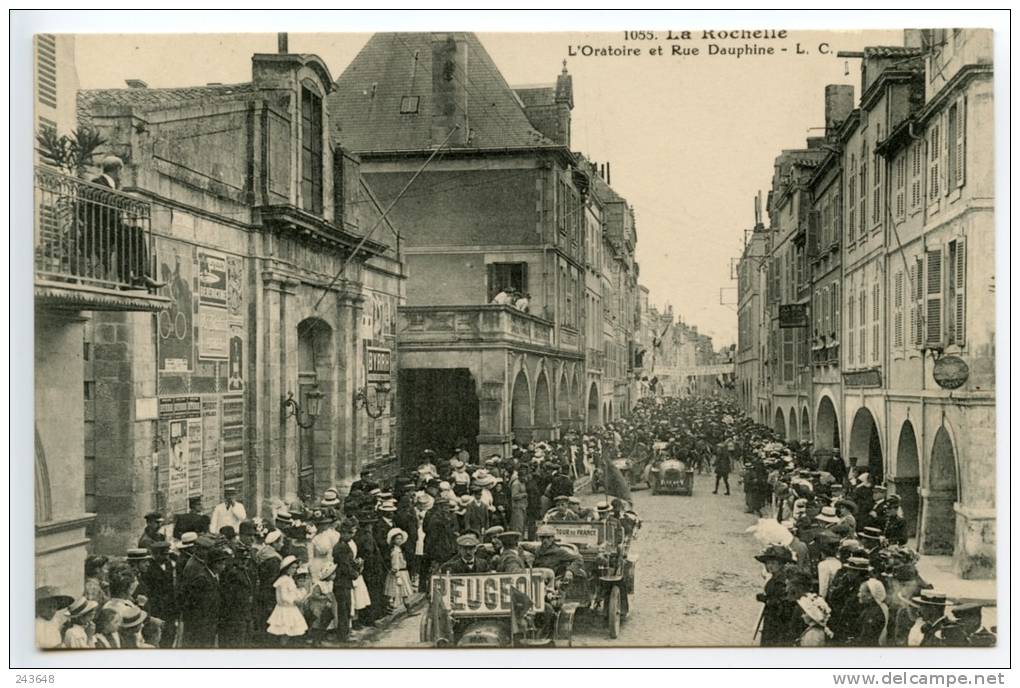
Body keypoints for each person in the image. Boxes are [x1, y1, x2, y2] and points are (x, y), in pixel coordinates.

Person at [88, 155, 164, 290]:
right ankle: (136, 276)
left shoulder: (112, 186)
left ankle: (135, 276)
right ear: (118, 169)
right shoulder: (98, 183)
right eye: (121, 171)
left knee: (133, 234)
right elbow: (98, 209)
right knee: (133, 234)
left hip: (110, 228)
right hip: (100, 228)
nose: (122, 175)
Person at [179, 544, 229, 647]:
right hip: (202, 625)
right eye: (221, 563)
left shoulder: (212, 576)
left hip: (209, 624)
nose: (224, 566)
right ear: (214, 564)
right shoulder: (202, 579)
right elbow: (194, 604)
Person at [140, 541, 179, 648]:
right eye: (164, 554)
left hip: (169, 608)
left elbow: (171, 586)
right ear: (156, 554)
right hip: (156, 608)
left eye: (167, 554)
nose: (166, 557)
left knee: (170, 635)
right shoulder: (149, 568)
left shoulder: (168, 564)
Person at [217, 540, 255, 648]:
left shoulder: (244, 571)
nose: (244, 563)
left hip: (243, 613)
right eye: (242, 560)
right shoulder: (233, 574)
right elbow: (231, 596)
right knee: (234, 641)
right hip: (234, 614)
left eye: (245, 560)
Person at [754, 545, 794, 646]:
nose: (769, 566)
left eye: (773, 563)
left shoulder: (782, 580)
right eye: (768, 563)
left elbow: (782, 600)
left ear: (781, 564)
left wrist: (766, 600)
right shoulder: (775, 577)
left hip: (778, 619)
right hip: (771, 617)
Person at [331, 518, 361, 643]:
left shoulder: (343, 545)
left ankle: (344, 633)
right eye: (349, 533)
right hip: (342, 581)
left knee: (346, 608)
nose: (351, 535)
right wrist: (356, 573)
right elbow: (345, 566)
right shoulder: (341, 547)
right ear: (343, 533)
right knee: (344, 609)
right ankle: (343, 635)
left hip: (343, 581)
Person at [266, 555, 307, 645]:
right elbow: (284, 596)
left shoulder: (290, 579)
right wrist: (294, 601)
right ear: (286, 568)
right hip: (285, 609)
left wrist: (299, 596)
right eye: (292, 568)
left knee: (290, 630)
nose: (294, 570)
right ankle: (282, 646)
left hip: (290, 608)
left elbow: (293, 592)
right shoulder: (283, 580)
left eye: (295, 568)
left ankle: (286, 646)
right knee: (284, 630)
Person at [254, 529, 285, 646]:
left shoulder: (263, 553)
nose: (282, 545)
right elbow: (274, 579)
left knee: (263, 616)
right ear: (275, 543)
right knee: (270, 617)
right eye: (280, 542)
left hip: (261, 590)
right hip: (269, 592)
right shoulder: (274, 559)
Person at [304, 562, 339, 646]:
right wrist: (324, 597)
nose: (335, 575)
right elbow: (314, 595)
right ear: (328, 575)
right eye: (333, 574)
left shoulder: (330, 583)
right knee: (318, 621)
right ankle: (315, 640)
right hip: (317, 605)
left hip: (326, 604)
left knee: (327, 618)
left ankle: (320, 636)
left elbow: (330, 593)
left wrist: (330, 599)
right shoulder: (319, 584)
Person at [850, 578, 889, 646]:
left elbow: (865, 640)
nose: (858, 595)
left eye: (861, 592)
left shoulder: (873, 614)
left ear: (870, 595)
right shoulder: (876, 608)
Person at [384, 528, 414, 611]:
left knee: (403, 592)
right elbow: (395, 564)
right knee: (396, 591)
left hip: (403, 572)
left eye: (400, 538)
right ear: (393, 540)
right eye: (397, 538)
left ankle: (408, 608)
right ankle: (393, 607)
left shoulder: (399, 550)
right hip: (399, 573)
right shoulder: (395, 552)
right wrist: (397, 576)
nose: (399, 540)